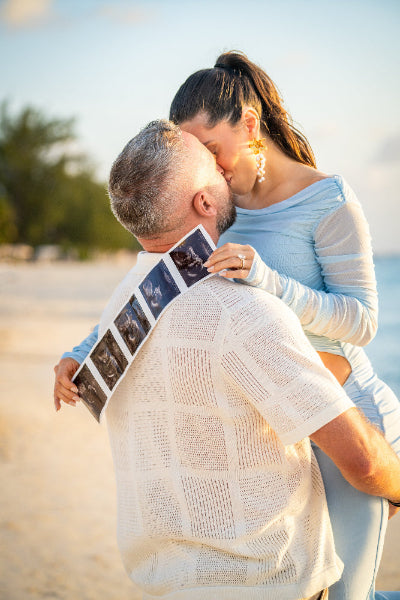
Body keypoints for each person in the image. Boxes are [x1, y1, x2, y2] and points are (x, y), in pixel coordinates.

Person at [53, 53, 400, 598]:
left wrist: (269, 281)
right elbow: (158, 288)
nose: (210, 169)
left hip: (344, 409)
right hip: (271, 417)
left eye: (213, 150)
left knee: (350, 590)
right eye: (198, 158)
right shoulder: (215, 202)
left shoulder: (328, 200)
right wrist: (85, 348)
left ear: (251, 126)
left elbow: (362, 321)